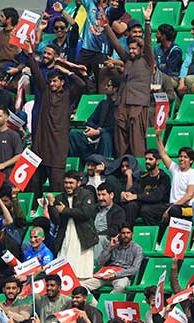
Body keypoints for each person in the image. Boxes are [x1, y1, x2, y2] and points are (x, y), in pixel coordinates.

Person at [27, 44, 85, 192]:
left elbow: (81, 84)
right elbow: (36, 73)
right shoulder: (45, 93)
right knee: (34, 184)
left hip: (57, 149)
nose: (52, 84)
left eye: (55, 81)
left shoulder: (67, 96)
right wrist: (29, 54)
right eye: (50, 81)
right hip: (41, 146)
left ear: (62, 82)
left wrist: (67, 71)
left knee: (56, 187)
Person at [104, 2, 154, 157]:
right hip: (122, 105)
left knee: (137, 143)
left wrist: (146, 22)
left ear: (141, 49)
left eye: (134, 49)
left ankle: (137, 172)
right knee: (121, 144)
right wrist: (105, 25)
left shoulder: (147, 60)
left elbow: (148, 43)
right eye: (130, 48)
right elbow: (116, 44)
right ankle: (122, 170)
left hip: (138, 105)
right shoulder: (128, 60)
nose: (131, 51)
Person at [47, 170, 98, 280]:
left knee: (82, 273)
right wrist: (51, 205)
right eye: (66, 183)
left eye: (71, 183)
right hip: (65, 237)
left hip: (83, 236)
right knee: (64, 274)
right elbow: (56, 220)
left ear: (78, 183)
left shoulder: (86, 194)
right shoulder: (60, 198)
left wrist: (65, 210)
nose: (68, 186)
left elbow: (86, 213)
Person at [83, 225, 143, 294]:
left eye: (128, 233)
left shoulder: (138, 249)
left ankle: (106, 303)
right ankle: (95, 304)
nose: (125, 235)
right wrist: (110, 247)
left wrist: (115, 274)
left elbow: (134, 269)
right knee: (82, 285)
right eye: (123, 233)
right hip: (106, 274)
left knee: (120, 286)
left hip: (122, 276)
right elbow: (100, 261)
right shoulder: (114, 245)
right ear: (119, 234)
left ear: (132, 234)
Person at [120, 149, 171, 227]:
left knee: (145, 209)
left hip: (159, 205)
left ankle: (154, 233)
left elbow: (157, 196)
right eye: (146, 159)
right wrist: (127, 193)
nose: (147, 161)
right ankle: (128, 231)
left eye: (150, 159)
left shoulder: (163, 177)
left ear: (158, 162)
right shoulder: (142, 176)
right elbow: (134, 189)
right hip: (143, 203)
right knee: (131, 205)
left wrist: (137, 196)